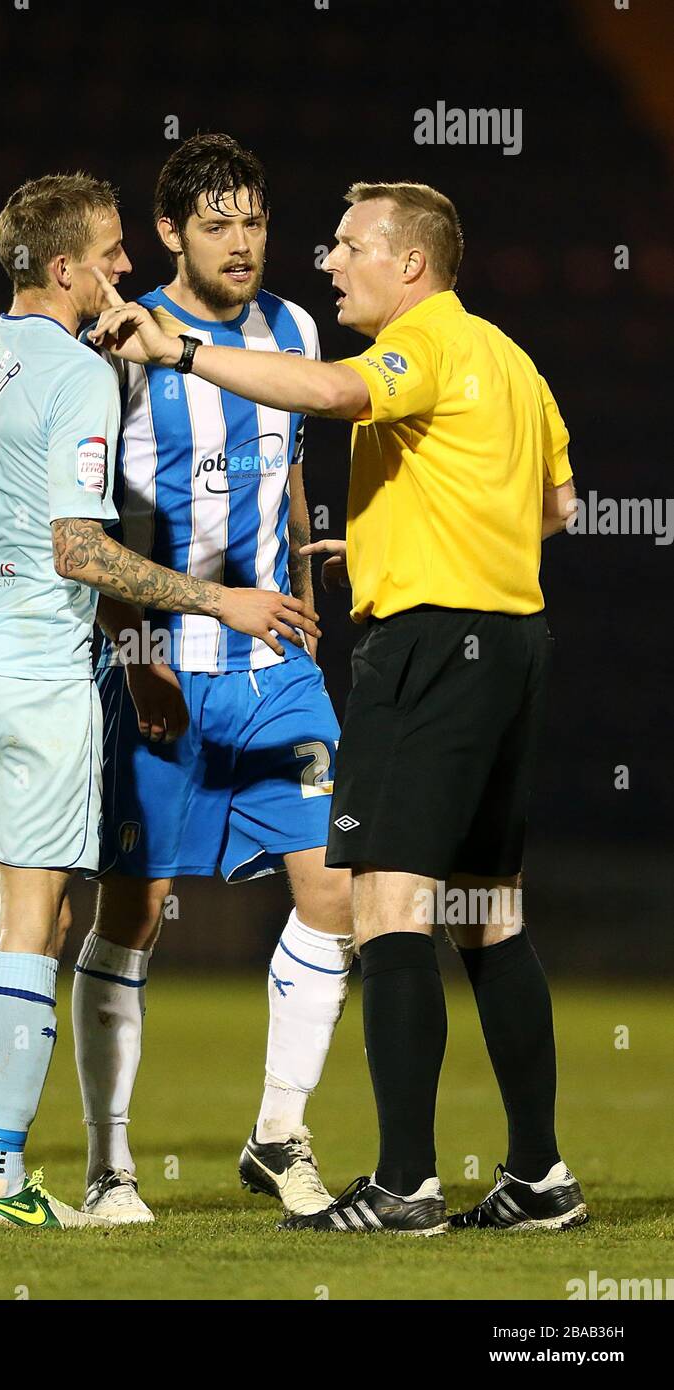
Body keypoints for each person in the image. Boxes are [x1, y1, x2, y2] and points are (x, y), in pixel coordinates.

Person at [89, 179, 586, 1236]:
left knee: (385, 907)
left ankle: (404, 1183)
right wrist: (406, 541)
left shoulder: (423, 343)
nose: (327, 260)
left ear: (409, 264)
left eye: (350, 245)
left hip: (427, 652)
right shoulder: (512, 359)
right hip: (513, 642)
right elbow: (553, 505)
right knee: (486, 914)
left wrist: (178, 350)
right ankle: (538, 1177)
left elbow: (333, 397)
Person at [0, 173, 319, 1229]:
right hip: (31, 671)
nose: (126, 270)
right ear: (64, 268)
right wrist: (220, 600)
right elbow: (78, 547)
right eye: (112, 253)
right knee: (32, 926)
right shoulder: (75, 371)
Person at [71, 134, 353, 1226]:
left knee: (330, 893)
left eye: (256, 219)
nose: (242, 240)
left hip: (273, 667)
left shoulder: (291, 328)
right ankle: (108, 1163)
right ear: (169, 235)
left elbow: (287, 466)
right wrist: (136, 655)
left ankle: (278, 1133)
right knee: (133, 913)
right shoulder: (121, 346)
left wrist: (303, 575)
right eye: (218, 220)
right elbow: (93, 528)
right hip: (163, 666)